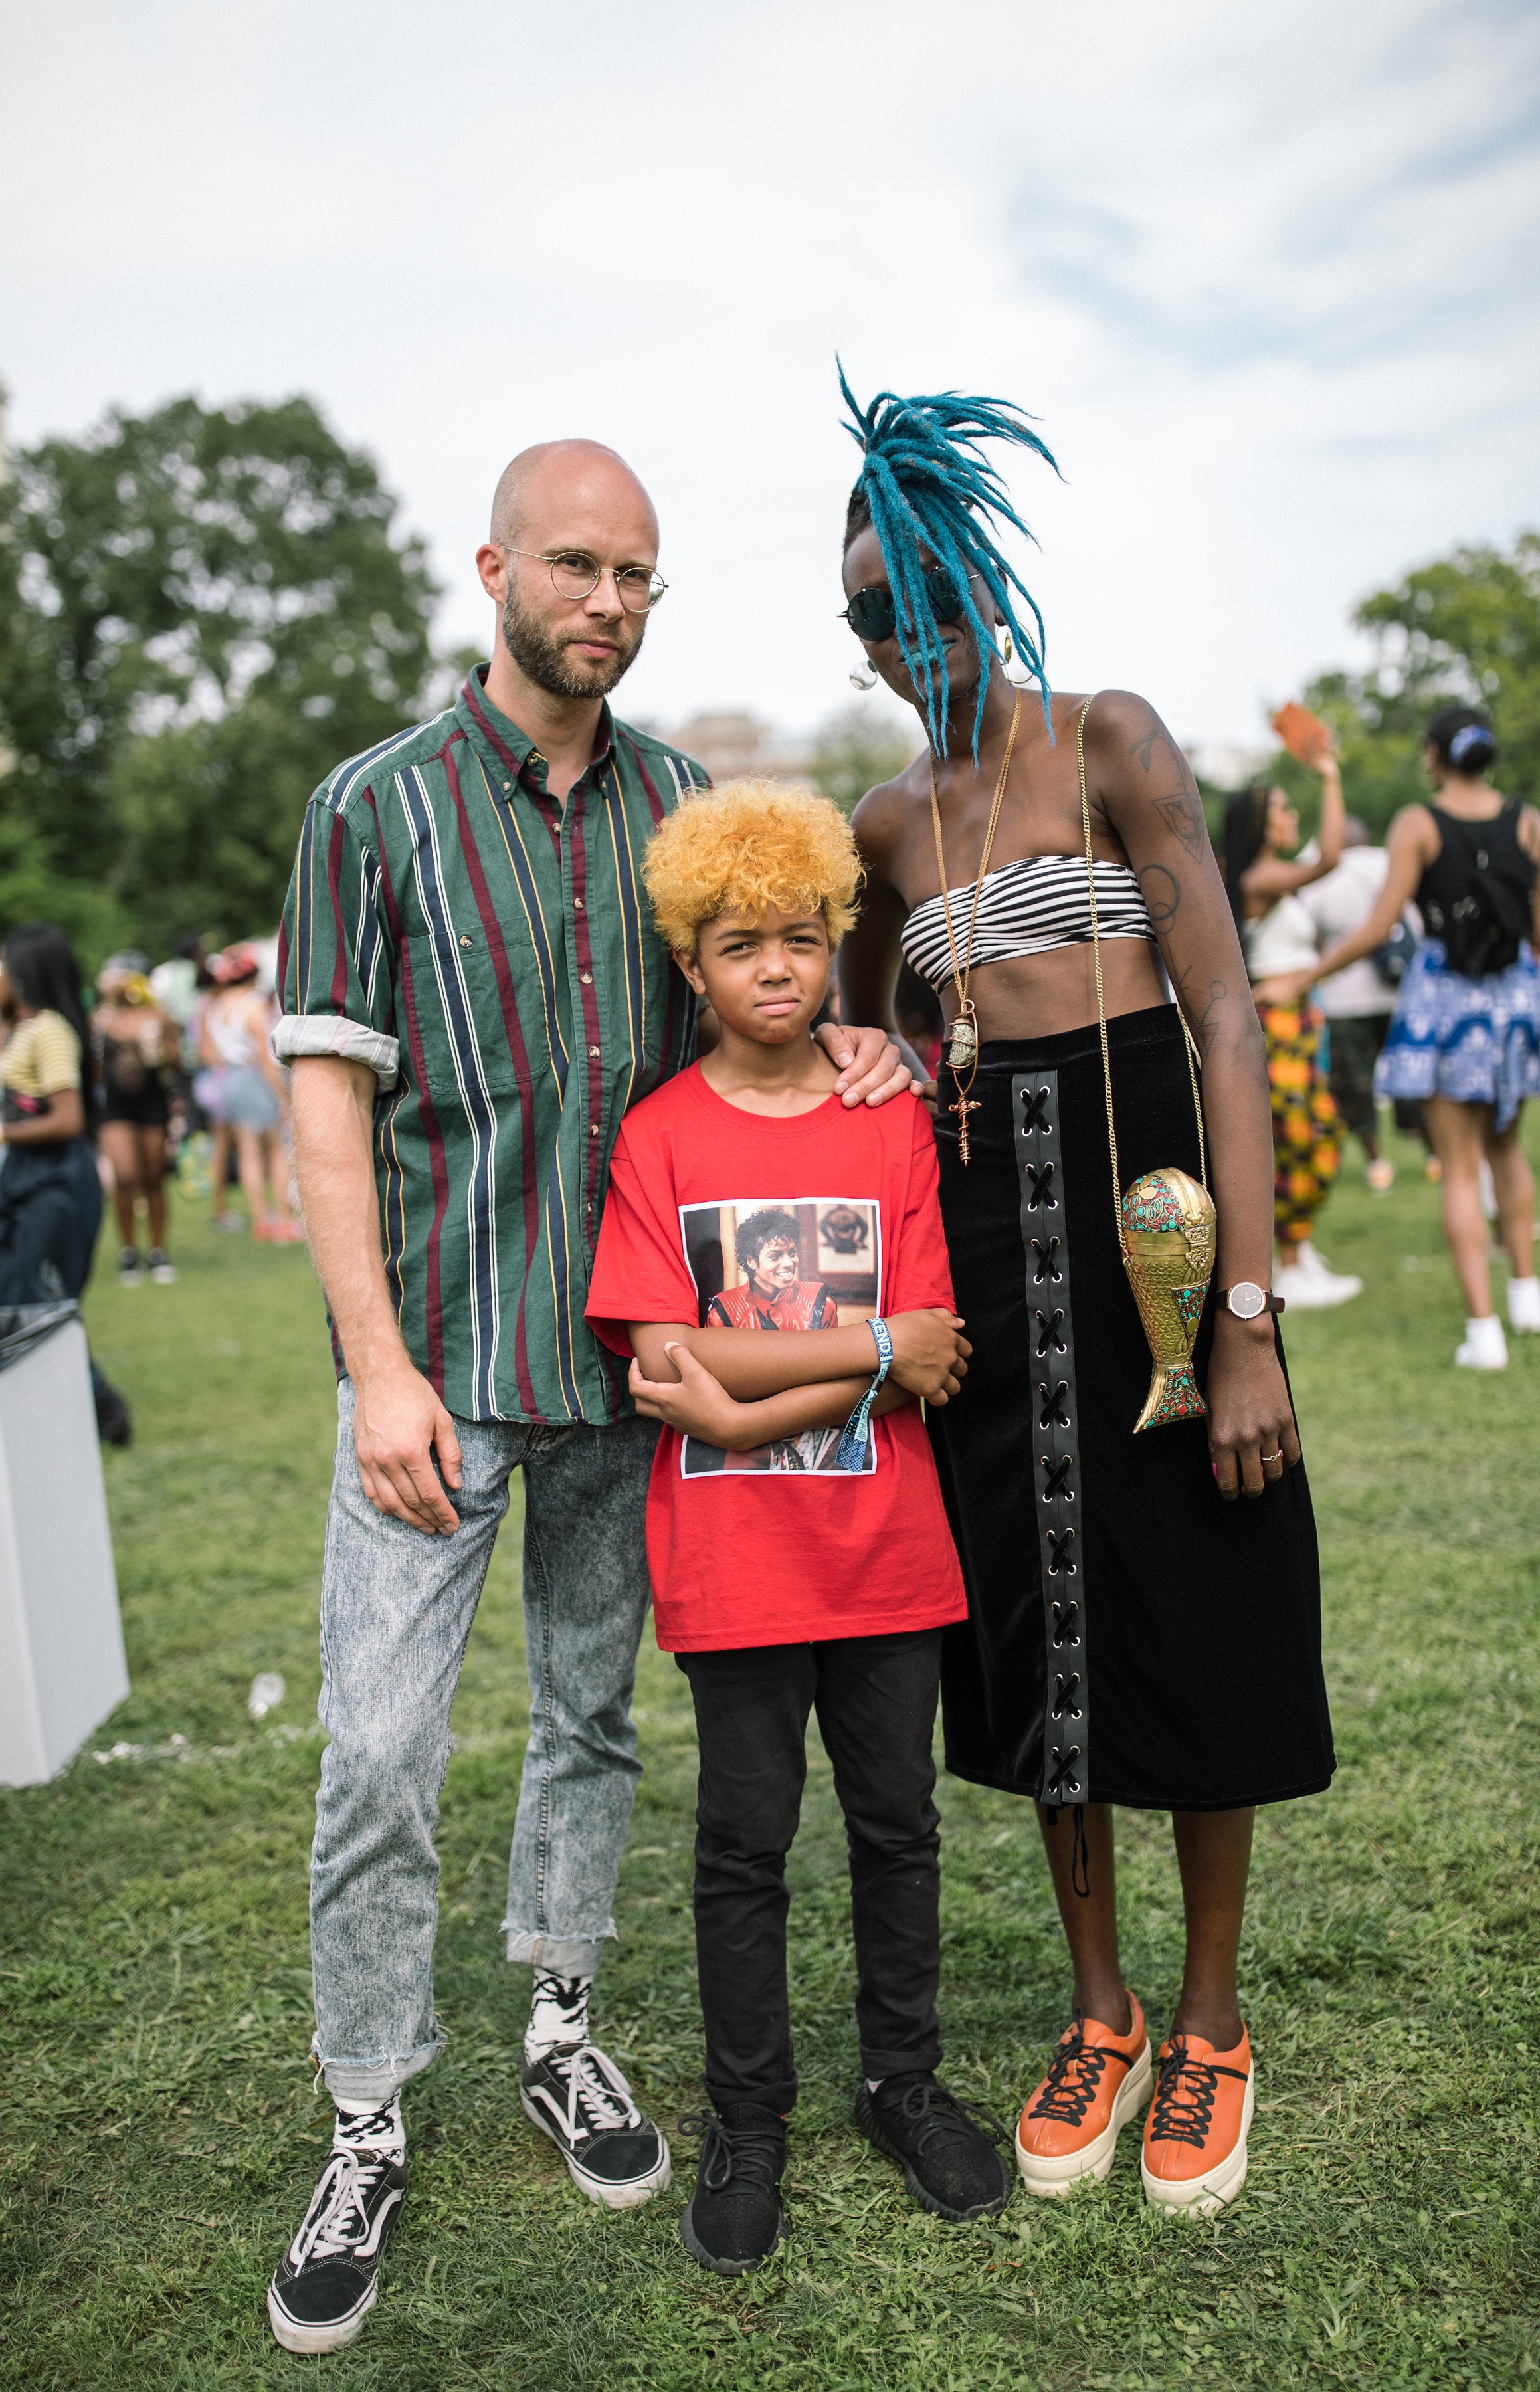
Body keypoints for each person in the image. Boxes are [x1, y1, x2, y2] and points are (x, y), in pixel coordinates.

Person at [264, 439, 913, 2355]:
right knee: (377, 1753)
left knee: (588, 1729)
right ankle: (369, 2106)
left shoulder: (688, 807)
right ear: (492, 572)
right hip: (441, 1383)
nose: (608, 603)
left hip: (638, 1376)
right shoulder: (369, 810)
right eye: (575, 567)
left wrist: (854, 1029)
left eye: (637, 575)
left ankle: (562, 2024)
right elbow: (327, 1105)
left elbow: (761, 994)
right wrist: (377, 1370)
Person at [834, 375, 1333, 2221]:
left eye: (938, 596)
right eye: (880, 617)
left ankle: (1210, 2017)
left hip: (1162, 1249)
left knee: (1203, 1597)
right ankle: (1100, 2006)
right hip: (995, 1269)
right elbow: (878, 1014)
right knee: (1045, 1631)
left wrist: (1251, 1319)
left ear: (992, 577)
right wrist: (897, 1073)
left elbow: (1225, 1015)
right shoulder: (890, 825)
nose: (915, 639)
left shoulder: (1110, 743)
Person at [585, 777, 1006, 2274]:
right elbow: (658, 1358)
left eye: (808, 939)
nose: (780, 968)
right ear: (691, 961)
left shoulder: (881, 1116)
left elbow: (938, 1339)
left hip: (887, 1556)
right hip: (734, 1568)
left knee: (898, 1831)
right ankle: (749, 2117)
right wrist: (865, 1351)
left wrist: (756, 1394)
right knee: (742, 1848)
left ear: (839, 945)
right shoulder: (658, 1141)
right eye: (743, 942)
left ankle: (905, 2084)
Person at [1271, 706, 1540, 1370]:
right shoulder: (1530, 821)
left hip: (1448, 1004)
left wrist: (1308, 977)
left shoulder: (1419, 823)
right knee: (1509, 1151)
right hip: (1513, 999)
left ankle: (1484, 1332)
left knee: (1460, 1170)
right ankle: (1528, 1296)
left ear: (1434, 754)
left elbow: (1380, 929)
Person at [1223, 767, 1361, 1308]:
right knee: (1301, 1136)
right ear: (1259, 822)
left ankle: (1298, 1252)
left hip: (1302, 1022)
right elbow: (1329, 857)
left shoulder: (1269, 875)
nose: (1290, 816)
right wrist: (1330, 777)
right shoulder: (1258, 878)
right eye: (1282, 808)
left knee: (1313, 1132)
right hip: (1279, 1025)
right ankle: (1291, 1260)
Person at [0, 924, 130, 1444]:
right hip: (25, 1177)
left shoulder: (50, 1029)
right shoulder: (19, 1030)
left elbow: (69, 1118)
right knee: (17, 1296)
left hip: (55, 1180)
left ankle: (103, 1411)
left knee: (39, 1302)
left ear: (27, 973)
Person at [1296, 818, 1408, 1192]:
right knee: (1410, 1077)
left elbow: (1308, 933)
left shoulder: (1325, 876)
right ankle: (1436, 1154)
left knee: (1357, 1086)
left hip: (1346, 998)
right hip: (1399, 990)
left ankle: (1377, 1162)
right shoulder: (1390, 863)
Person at [195, 947, 300, 1243]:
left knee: (247, 1151)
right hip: (255, 1078)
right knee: (277, 1150)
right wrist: (283, 1096)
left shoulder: (216, 1004)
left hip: (229, 1078)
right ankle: (283, 1218)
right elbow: (265, 1056)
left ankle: (261, 1219)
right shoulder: (253, 1004)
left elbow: (208, 1051)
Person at [92, 953, 180, 1285]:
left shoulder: (157, 1015)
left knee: (154, 1177)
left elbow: (175, 1061)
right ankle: (128, 1251)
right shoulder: (101, 1019)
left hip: (153, 1104)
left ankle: (158, 1250)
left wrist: (160, 1047)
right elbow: (93, 1068)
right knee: (126, 1177)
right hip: (115, 1108)